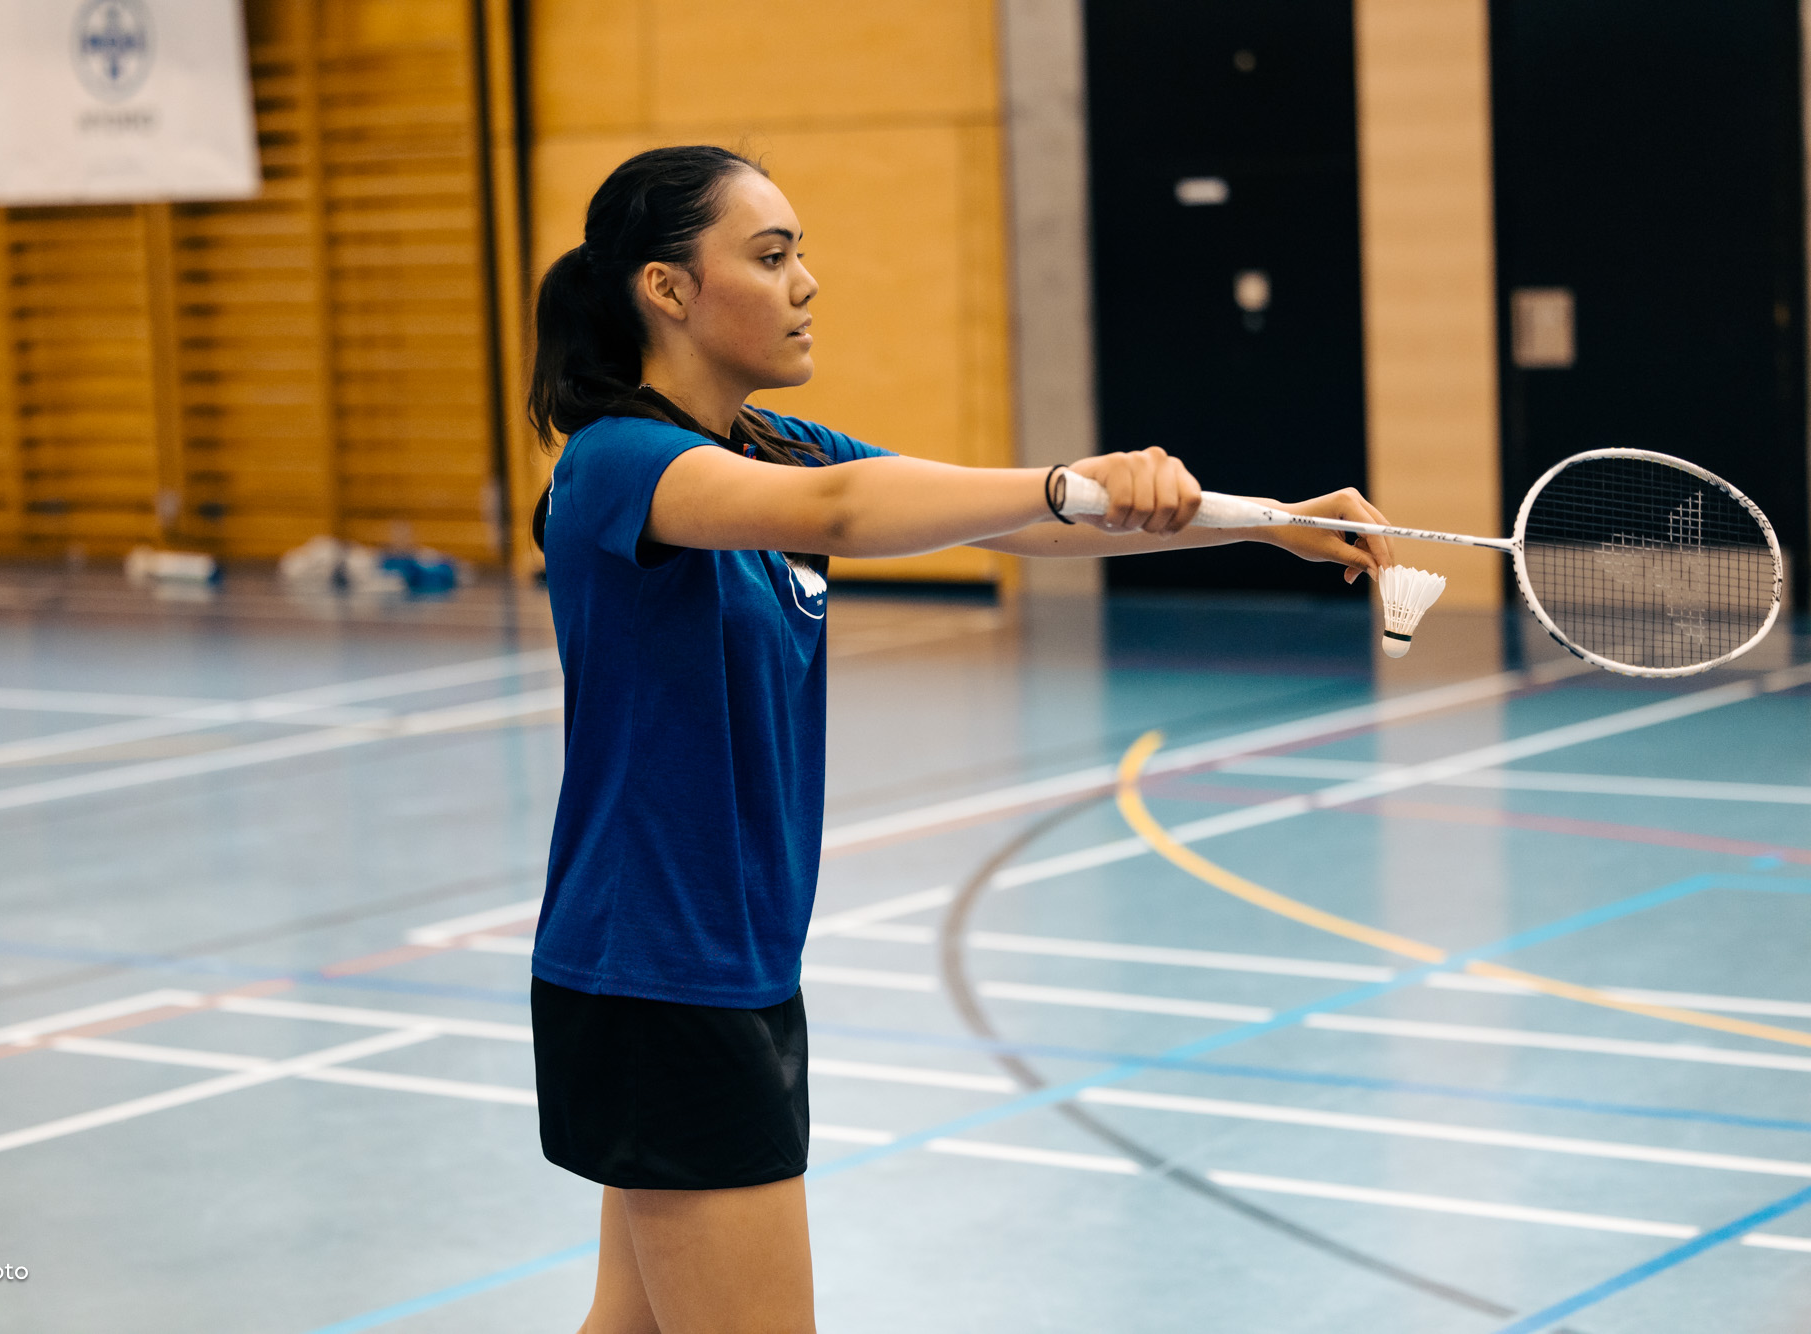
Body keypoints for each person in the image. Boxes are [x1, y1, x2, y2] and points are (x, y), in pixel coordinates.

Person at [526, 144, 1391, 1334]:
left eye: (798, 254)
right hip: (659, 971)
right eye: (769, 257)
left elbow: (1026, 528)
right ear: (667, 289)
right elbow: (847, 513)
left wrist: (1263, 521)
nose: (804, 282)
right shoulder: (619, 462)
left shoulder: (777, 444)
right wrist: (1063, 479)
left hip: (717, 959)